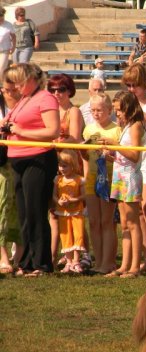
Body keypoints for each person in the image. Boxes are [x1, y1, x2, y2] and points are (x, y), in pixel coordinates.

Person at [3, 63, 60, 276]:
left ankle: (42, 263)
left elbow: (52, 131)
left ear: (31, 79)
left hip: (38, 158)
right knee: (25, 213)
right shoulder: (23, 100)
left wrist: (20, 130)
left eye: (18, 81)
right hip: (18, 159)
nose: (15, 86)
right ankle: (26, 261)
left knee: (36, 211)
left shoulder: (45, 98)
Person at [122, 63, 146, 273]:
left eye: (134, 85)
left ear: (143, 83)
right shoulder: (128, 100)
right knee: (137, 209)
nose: (131, 89)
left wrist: (139, 111)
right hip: (133, 157)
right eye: (128, 85)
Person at [103, 91, 144, 279]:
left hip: (130, 178)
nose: (117, 113)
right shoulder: (126, 126)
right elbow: (126, 154)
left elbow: (135, 155)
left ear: (128, 107)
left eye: (119, 110)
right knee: (124, 224)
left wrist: (115, 145)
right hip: (120, 175)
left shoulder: (136, 126)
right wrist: (113, 154)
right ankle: (124, 265)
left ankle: (135, 265)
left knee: (133, 223)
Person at [82, 93, 120, 274]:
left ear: (109, 110)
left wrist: (108, 152)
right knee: (94, 221)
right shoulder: (88, 129)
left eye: (100, 110)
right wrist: (85, 147)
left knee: (107, 221)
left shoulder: (116, 130)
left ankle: (108, 262)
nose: (96, 113)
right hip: (92, 176)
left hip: (110, 177)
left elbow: (120, 156)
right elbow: (84, 154)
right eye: (93, 110)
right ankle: (98, 262)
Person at [0, 75, 21, 274]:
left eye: (14, 89)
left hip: (20, 163)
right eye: (7, 89)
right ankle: (3, 256)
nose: (10, 93)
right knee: (2, 209)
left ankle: (20, 255)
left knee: (18, 210)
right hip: (2, 167)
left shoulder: (23, 106)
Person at [53, 149, 85, 274]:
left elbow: (84, 196)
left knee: (78, 235)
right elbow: (54, 195)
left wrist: (73, 199)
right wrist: (58, 201)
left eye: (65, 166)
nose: (62, 168)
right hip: (62, 212)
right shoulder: (58, 180)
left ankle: (76, 261)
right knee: (65, 236)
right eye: (60, 165)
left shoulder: (79, 180)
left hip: (77, 212)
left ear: (73, 165)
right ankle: (69, 261)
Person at [0, 8, 15, 75]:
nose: (1, 19)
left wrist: (13, 47)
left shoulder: (8, 25)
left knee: (1, 69)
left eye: (2, 16)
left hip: (4, 50)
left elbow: (13, 36)